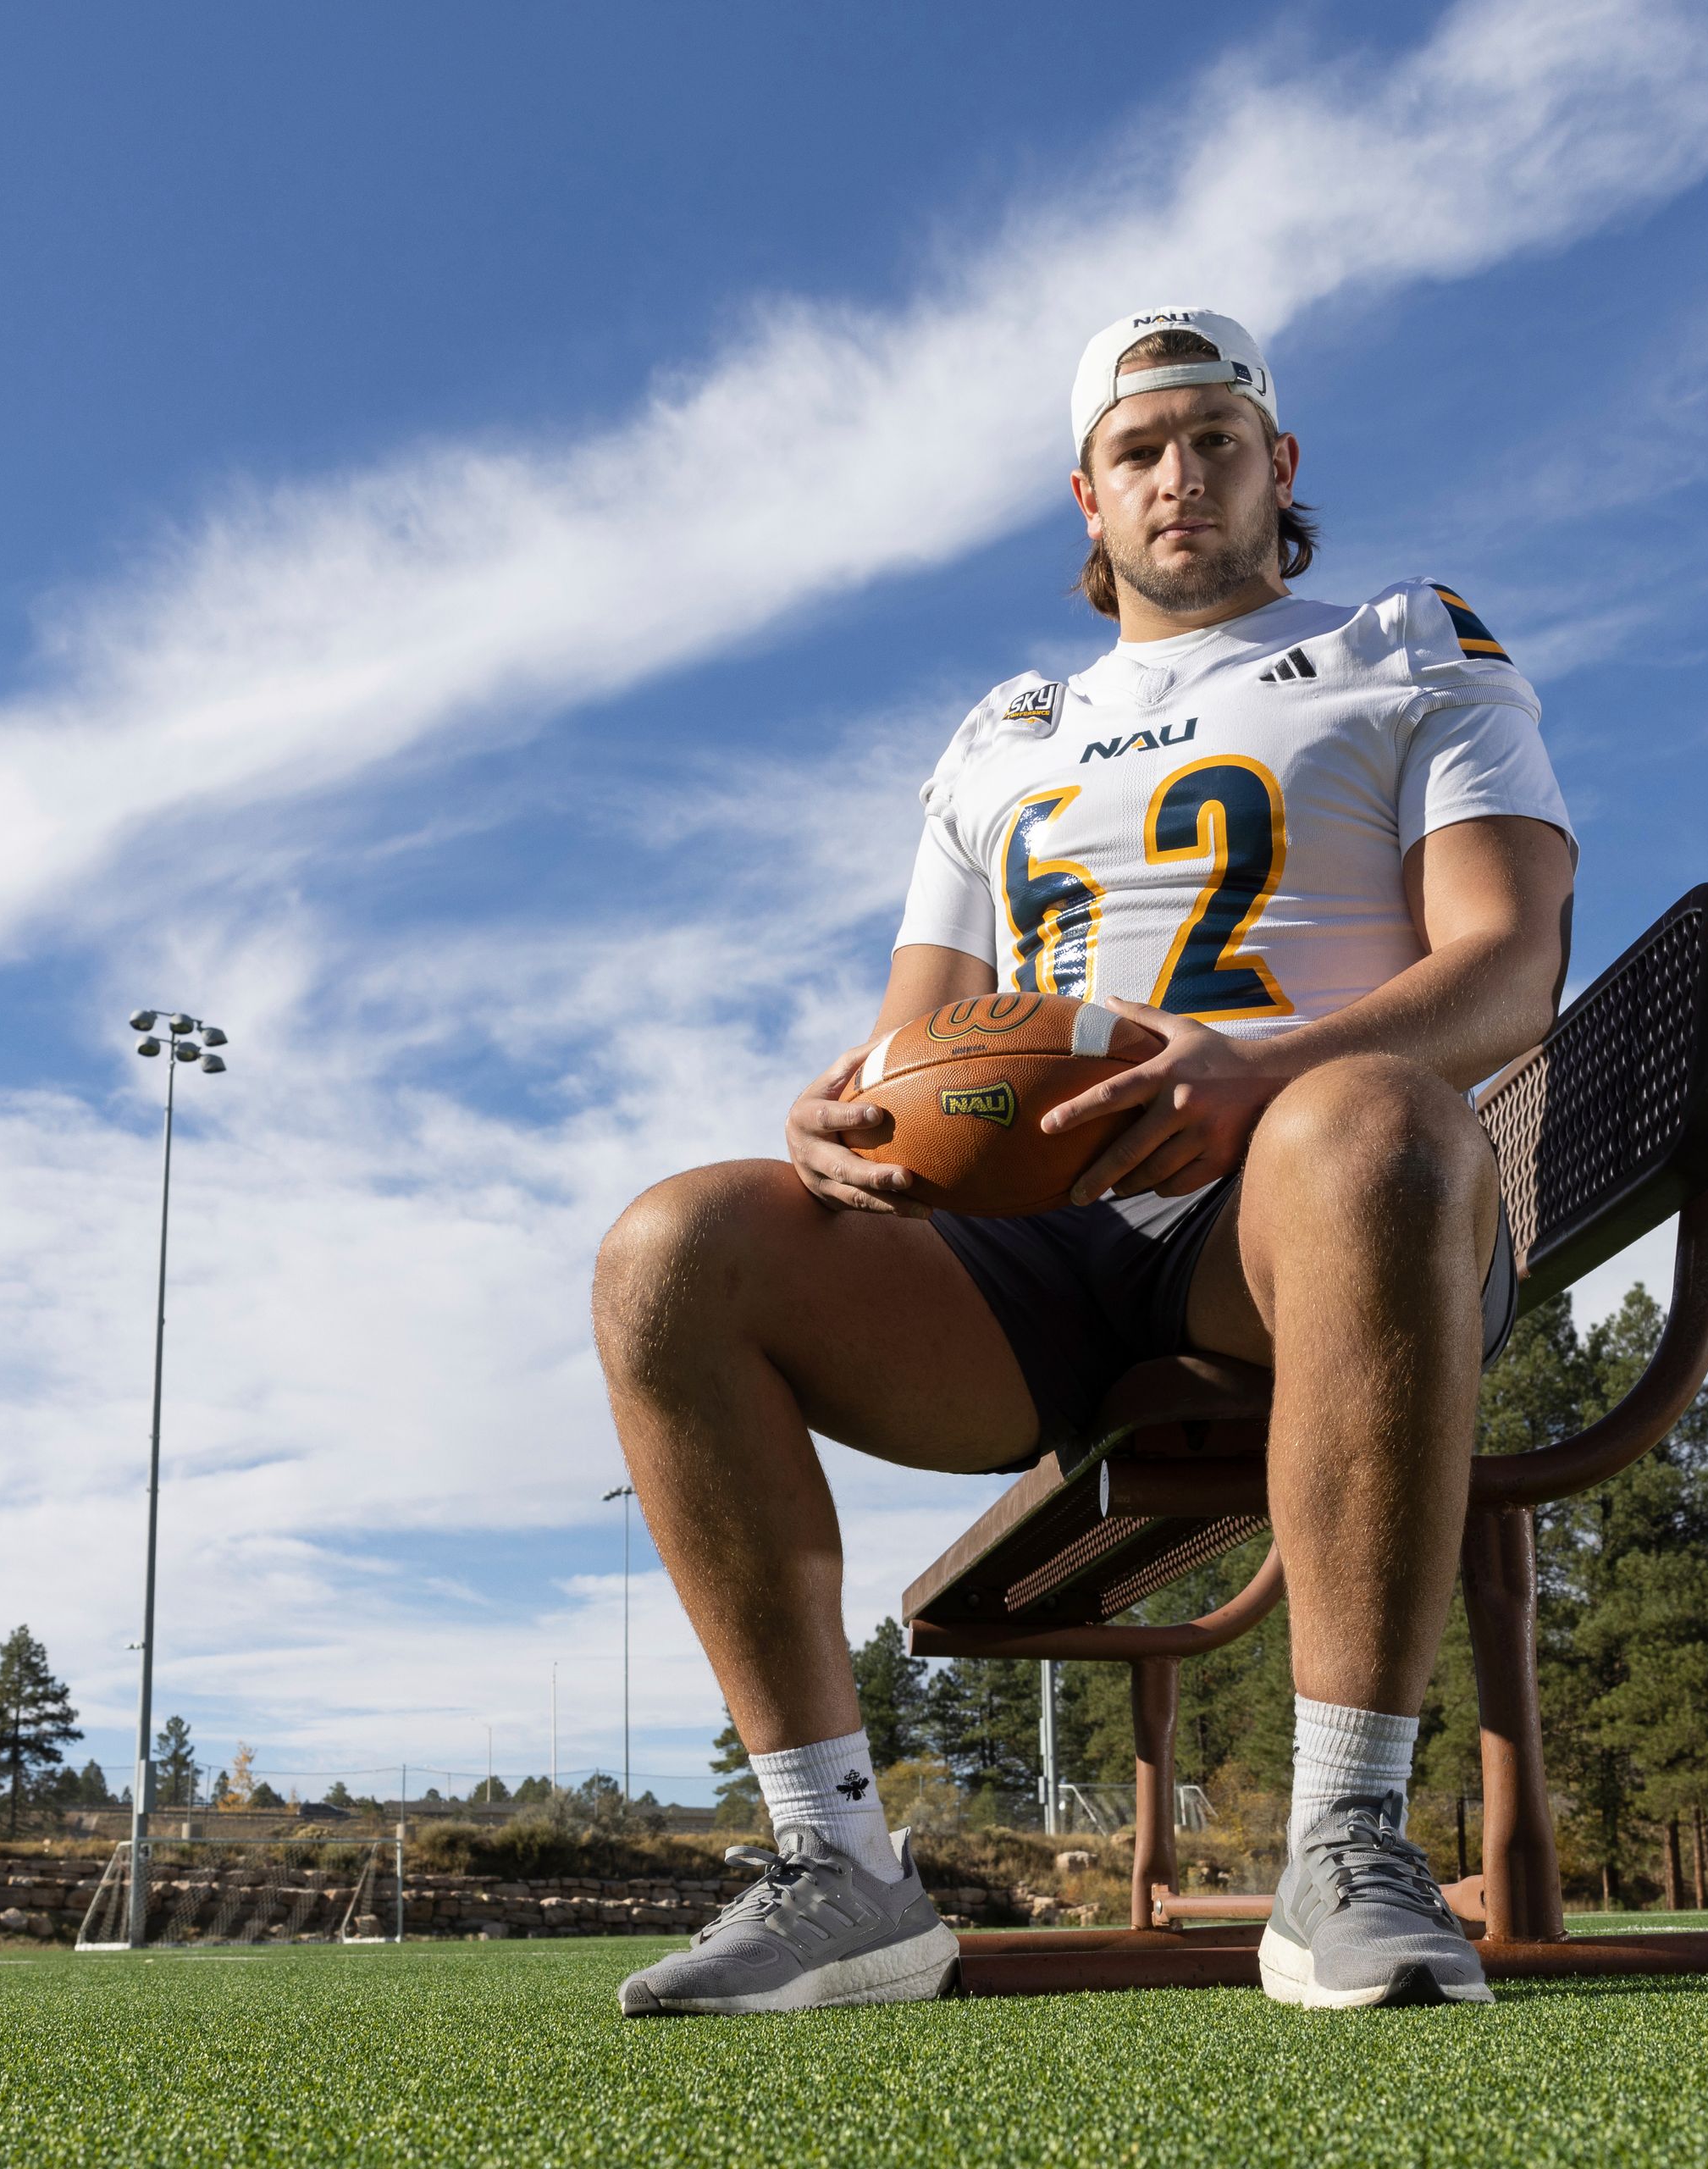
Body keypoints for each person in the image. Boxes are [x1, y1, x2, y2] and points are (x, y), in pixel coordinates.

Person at [591, 305, 1575, 2014]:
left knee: (1369, 1123)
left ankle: (1343, 1845)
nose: (1179, 476)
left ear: (1280, 466)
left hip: (1303, 1204)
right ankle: (840, 1867)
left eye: (1214, 439)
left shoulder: (1406, 645)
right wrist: (847, 1123)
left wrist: (1263, 1069)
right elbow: (917, 1034)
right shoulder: (1002, 735)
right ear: (1086, 497)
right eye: (1141, 451)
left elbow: (1507, 964)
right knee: (673, 1249)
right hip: (1033, 1245)